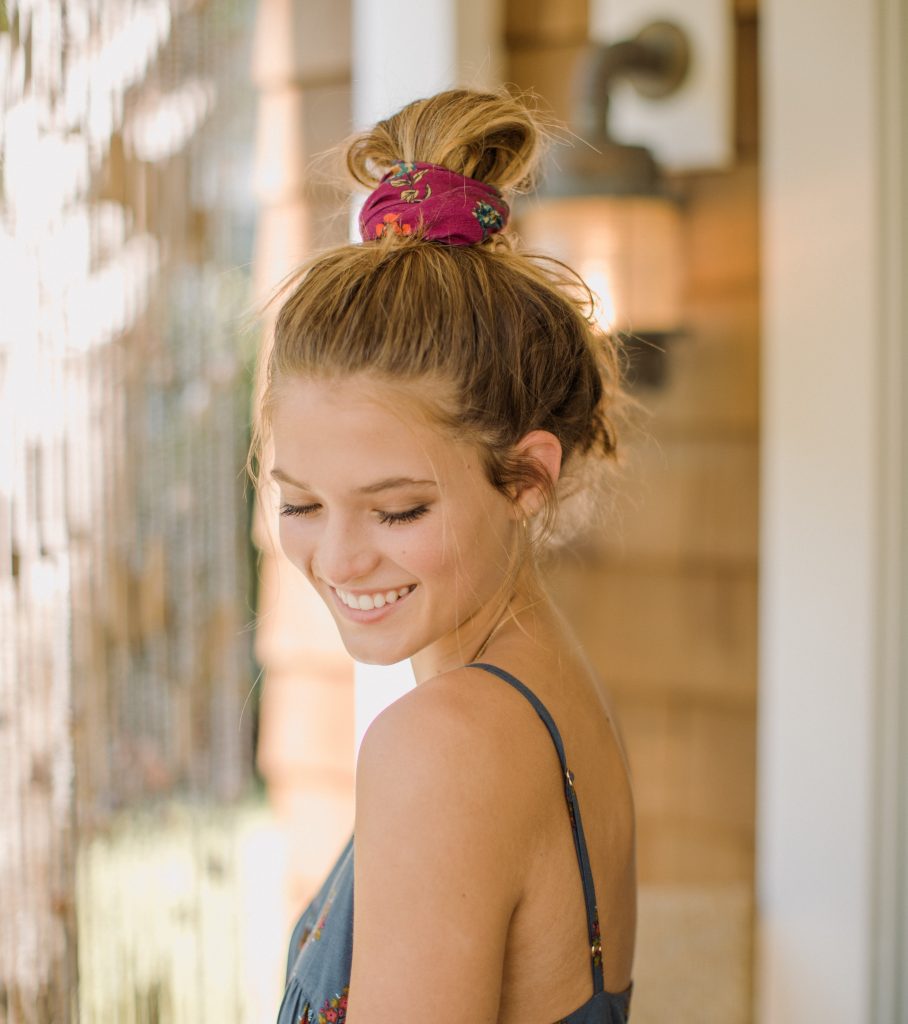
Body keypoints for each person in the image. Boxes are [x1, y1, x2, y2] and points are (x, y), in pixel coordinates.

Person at [250, 87, 637, 1024]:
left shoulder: (442, 745)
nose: (337, 559)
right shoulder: (544, 684)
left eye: (397, 510)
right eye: (299, 501)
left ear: (525, 479)